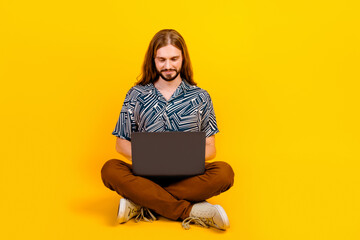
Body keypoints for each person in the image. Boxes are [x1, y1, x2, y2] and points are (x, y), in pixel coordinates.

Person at [101, 29, 235, 230]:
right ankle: (190, 211)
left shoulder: (201, 97)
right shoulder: (136, 94)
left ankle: (142, 202)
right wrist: (152, 157)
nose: (168, 66)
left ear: (183, 59)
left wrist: (180, 157)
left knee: (225, 172)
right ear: (153, 60)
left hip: (188, 178)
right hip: (145, 177)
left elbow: (211, 149)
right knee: (110, 169)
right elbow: (120, 143)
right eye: (161, 59)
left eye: (174, 59)